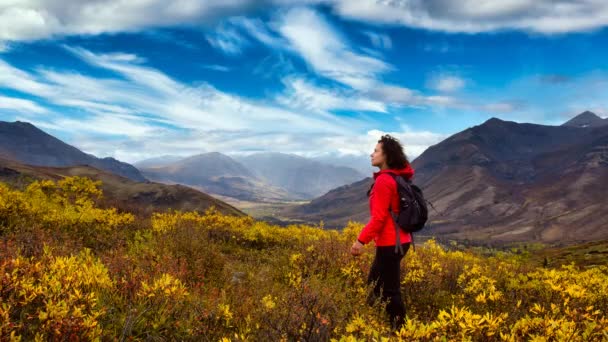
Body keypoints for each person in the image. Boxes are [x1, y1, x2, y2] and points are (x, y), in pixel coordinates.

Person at [350, 134, 414, 330]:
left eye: (376, 151)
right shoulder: (396, 177)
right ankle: (375, 323)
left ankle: (401, 332)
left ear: (386, 156)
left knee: (390, 291)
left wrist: (360, 241)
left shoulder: (384, 181)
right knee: (374, 284)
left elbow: (379, 218)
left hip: (390, 244)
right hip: (399, 241)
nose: (372, 154)